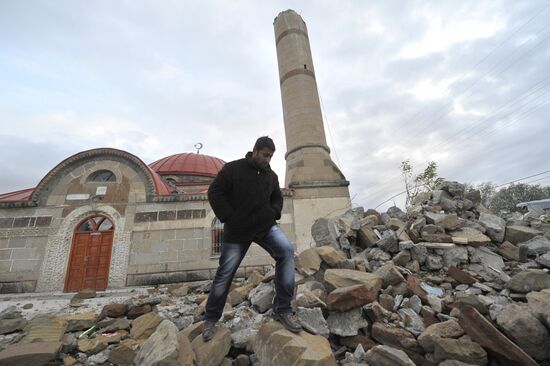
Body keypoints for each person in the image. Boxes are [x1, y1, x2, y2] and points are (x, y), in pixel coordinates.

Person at [202, 136, 302, 341]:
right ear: (255, 151)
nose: (267, 160)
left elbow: (277, 197)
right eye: (265, 155)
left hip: (265, 227)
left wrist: (273, 213)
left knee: (286, 252)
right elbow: (215, 192)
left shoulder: (271, 176)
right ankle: (211, 319)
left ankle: (283, 309)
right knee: (225, 273)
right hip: (237, 231)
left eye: (271, 156)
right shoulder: (233, 169)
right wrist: (230, 217)